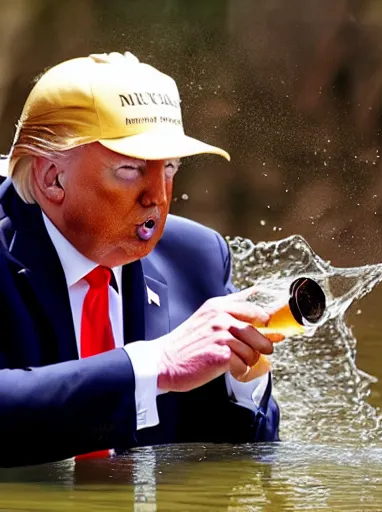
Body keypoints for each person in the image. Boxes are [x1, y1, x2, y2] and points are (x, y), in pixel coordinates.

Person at [0, 51, 279, 467]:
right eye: (130, 169)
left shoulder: (196, 258)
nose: (159, 197)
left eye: (168, 167)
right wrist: (155, 365)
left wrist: (244, 376)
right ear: (52, 178)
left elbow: (242, 462)